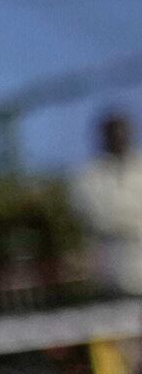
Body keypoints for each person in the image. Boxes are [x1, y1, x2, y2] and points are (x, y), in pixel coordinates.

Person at [78, 110, 142, 298]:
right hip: (114, 271)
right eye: (113, 133)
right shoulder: (89, 175)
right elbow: (98, 217)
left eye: (123, 132)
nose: (119, 138)